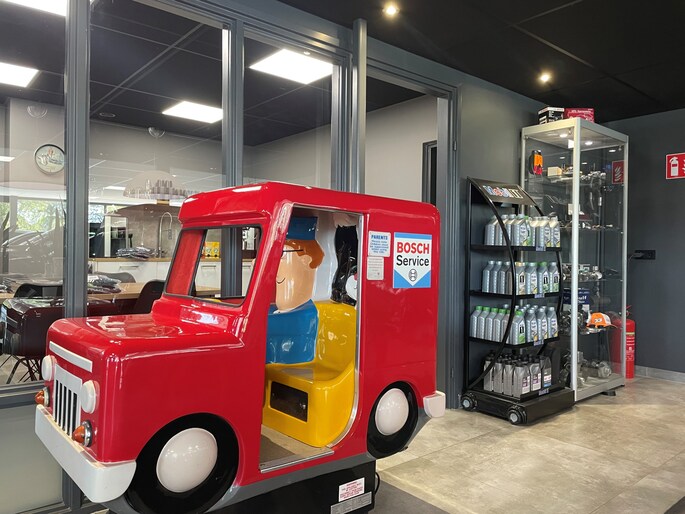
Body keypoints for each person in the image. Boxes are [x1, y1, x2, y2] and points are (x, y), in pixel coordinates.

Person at [266, 217, 324, 364]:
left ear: (306, 260)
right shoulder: (278, 311)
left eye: (282, 255)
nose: (274, 265)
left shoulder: (308, 315)